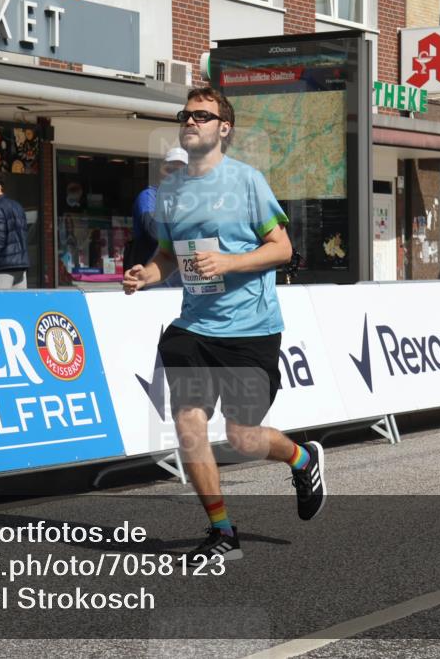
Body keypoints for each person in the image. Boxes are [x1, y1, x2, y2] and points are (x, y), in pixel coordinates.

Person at [123, 87, 326, 563]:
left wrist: (228, 263)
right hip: (195, 326)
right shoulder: (170, 194)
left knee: (242, 436)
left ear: (223, 128)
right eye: (186, 115)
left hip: (251, 328)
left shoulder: (247, 182)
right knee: (188, 423)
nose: (190, 121)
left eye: (202, 115)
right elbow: (168, 257)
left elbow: (282, 249)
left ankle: (303, 459)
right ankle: (222, 532)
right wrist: (146, 275)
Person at [125, 147, 189, 274]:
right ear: (161, 170)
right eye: (170, 169)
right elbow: (154, 233)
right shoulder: (149, 196)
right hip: (151, 280)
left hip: (182, 281)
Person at [0, 172, 29, 289]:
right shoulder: (17, 206)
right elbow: (23, 234)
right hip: (20, 266)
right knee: (18, 306)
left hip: (2, 267)